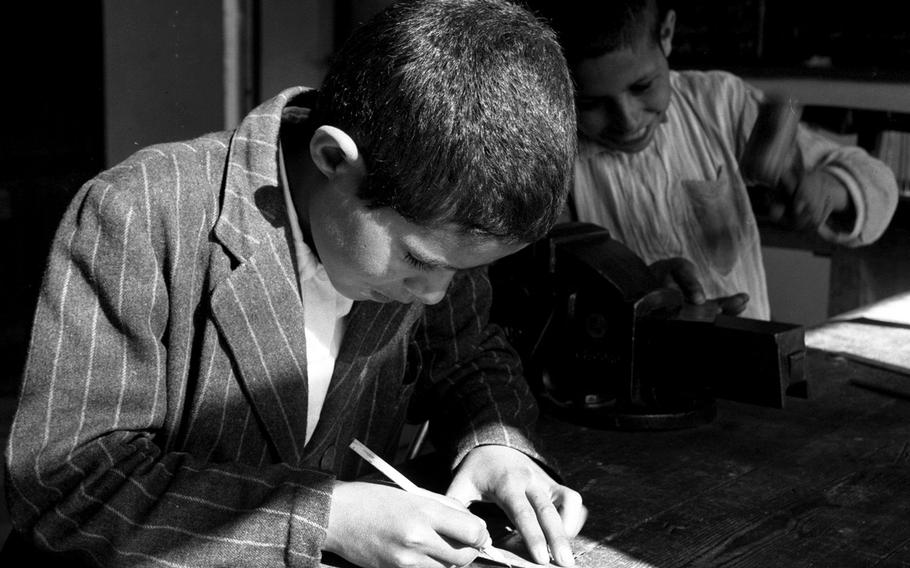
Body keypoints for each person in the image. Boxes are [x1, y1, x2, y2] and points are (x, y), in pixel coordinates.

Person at [2, 1, 587, 566]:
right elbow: (68, 486)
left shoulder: (432, 229)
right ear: (334, 158)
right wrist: (323, 517)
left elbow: (467, 353)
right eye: (417, 259)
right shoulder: (139, 213)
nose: (434, 292)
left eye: (462, 270)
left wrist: (497, 445)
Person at [524, 0, 899, 320]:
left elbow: (878, 183)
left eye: (643, 86)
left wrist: (827, 190)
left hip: (745, 364)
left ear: (667, 34)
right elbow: (553, 282)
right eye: (590, 103)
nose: (627, 120)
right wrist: (641, 285)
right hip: (627, 383)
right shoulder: (550, 154)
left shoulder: (721, 104)